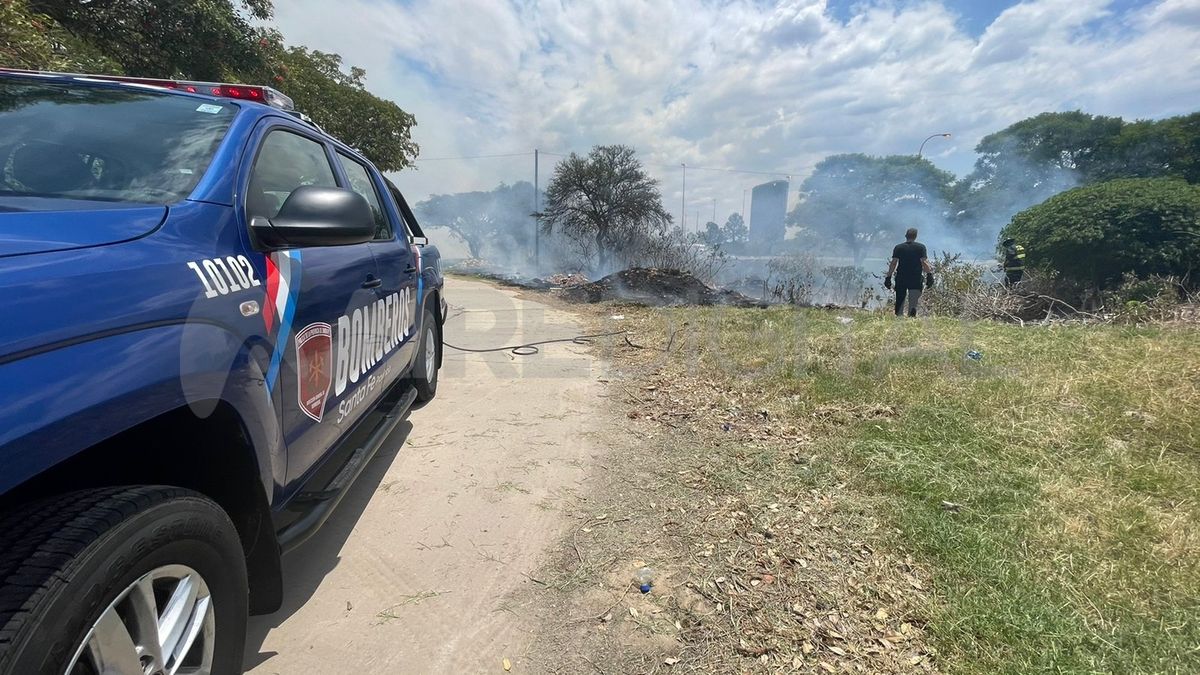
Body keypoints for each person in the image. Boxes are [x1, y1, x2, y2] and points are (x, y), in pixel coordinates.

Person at [884, 228, 934, 317]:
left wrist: (888, 277)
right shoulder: (921, 247)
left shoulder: (898, 247)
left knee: (900, 299)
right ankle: (911, 319)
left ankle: (899, 319)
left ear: (906, 236)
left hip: (901, 278)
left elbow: (893, 263)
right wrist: (929, 275)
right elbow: (924, 262)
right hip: (915, 278)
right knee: (913, 301)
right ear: (915, 236)